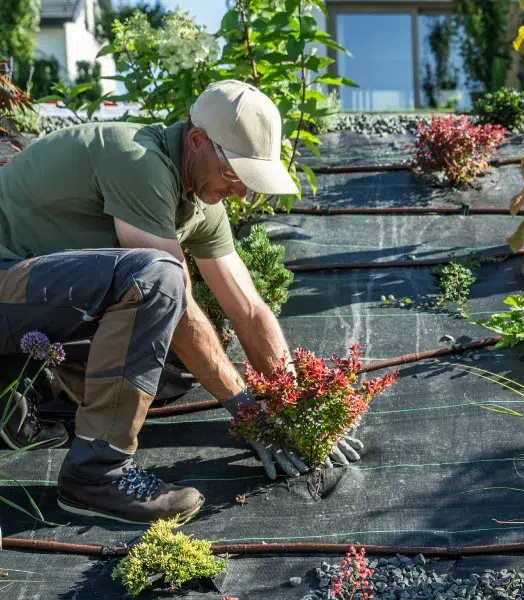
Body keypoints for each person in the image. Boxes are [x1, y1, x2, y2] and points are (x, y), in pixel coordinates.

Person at [0, 79, 361, 526]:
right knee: (160, 279)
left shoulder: (200, 200)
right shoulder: (136, 159)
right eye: (236, 175)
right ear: (196, 141)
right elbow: (175, 299)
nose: (242, 193)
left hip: (28, 310)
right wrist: (250, 414)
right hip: (8, 289)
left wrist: (292, 404)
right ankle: (98, 471)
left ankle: (25, 396)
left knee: (175, 367)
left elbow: (248, 309)